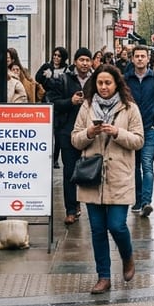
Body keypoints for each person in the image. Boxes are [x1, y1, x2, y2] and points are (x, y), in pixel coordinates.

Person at [70, 64, 144, 294]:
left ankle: (127, 256)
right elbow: (75, 139)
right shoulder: (87, 107)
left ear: (116, 84)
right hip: (92, 176)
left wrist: (117, 133)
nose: (103, 87)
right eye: (100, 83)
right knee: (97, 229)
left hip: (119, 176)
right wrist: (88, 134)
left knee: (117, 225)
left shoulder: (129, 108)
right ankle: (104, 276)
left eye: (108, 83)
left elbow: (139, 140)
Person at [47, 47, 94, 225]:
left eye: (87, 60)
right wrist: (70, 102)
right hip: (68, 131)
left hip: (90, 132)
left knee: (92, 170)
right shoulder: (63, 79)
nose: (84, 63)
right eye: (81, 59)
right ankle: (71, 209)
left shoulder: (96, 80)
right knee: (69, 172)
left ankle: (87, 204)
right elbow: (52, 101)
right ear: (75, 62)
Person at [125, 45, 154, 216]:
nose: (140, 59)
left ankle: (146, 202)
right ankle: (137, 200)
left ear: (148, 58)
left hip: (150, 128)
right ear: (133, 59)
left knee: (147, 165)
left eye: (143, 56)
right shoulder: (126, 79)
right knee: (134, 167)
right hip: (131, 129)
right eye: (137, 56)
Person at [36, 46, 70, 167]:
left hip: (60, 105)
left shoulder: (67, 70)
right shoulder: (47, 66)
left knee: (58, 134)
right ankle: (45, 156)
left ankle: (55, 158)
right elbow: (37, 78)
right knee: (47, 132)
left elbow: (61, 87)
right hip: (47, 103)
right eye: (54, 55)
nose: (56, 58)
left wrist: (50, 79)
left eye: (59, 56)